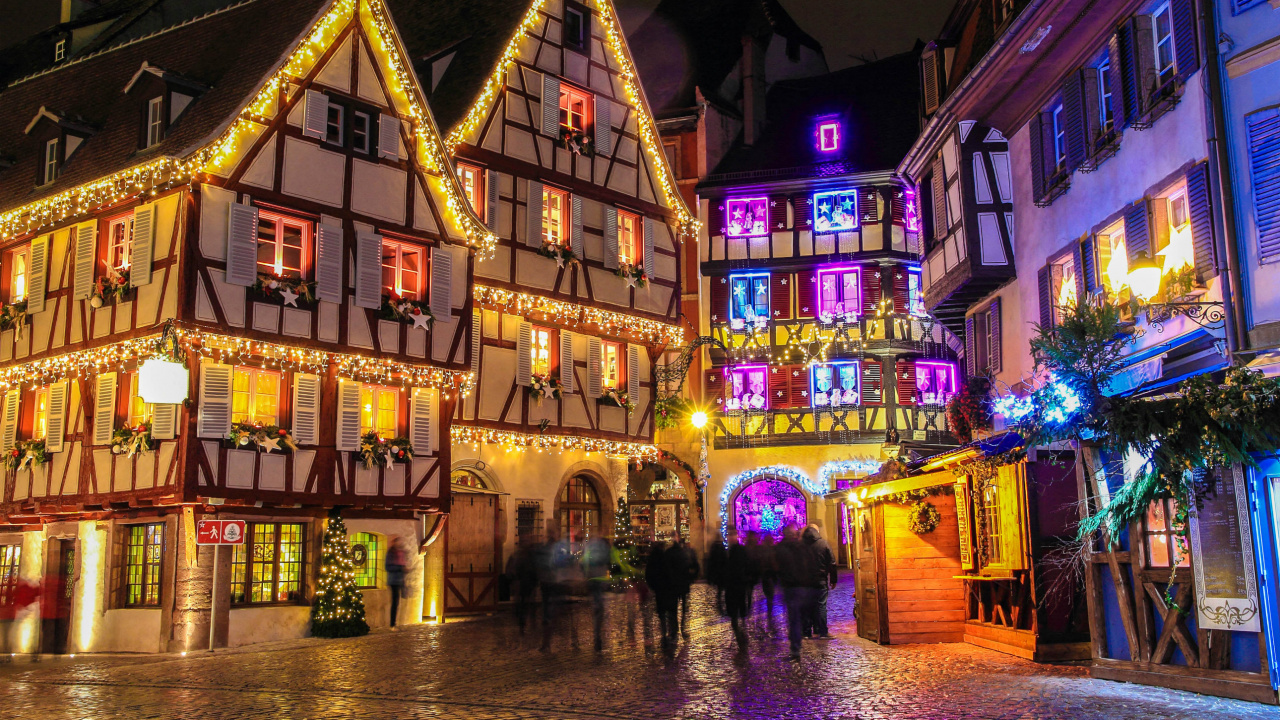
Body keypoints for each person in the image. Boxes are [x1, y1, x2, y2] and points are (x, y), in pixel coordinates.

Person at [776, 525, 819, 660]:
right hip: (801, 586)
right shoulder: (802, 547)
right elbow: (812, 565)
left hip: (791, 586)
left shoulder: (781, 548)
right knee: (799, 615)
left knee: (794, 617)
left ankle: (796, 647)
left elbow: (776, 566)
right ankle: (801, 638)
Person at [722, 531, 757, 648]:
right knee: (736, 612)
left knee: (738, 611)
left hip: (738, 585)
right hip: (735, 585)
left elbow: (747, 565)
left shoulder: (736, 551)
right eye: (729, 536)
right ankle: (740, 633)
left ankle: (740, 633)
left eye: (732, 536)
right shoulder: (729, 551)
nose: (730, 538)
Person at [803, 524, 838, 638]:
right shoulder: (824, 544)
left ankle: (806, 632)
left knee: (807, 606)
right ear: (817, 531)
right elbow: (832, 563)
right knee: (821, 606)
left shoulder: (801, 546)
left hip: (805, 582)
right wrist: (833, 579)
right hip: (820, 580)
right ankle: (822, 631)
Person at [645, 541, 679, 652]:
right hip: (668, 590)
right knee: (670, 612)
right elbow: (671, 573)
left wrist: (654, 587)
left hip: (659, 591)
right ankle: (671, 634)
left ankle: (664, 634)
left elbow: (648, 575)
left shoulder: (652, 560)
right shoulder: (666, 558)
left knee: (662, 614)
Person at [582, 534, 612, 652]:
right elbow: (609, 561)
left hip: (592, 578)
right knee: (600, 603)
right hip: (601, 577)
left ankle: (597, 633)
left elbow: (584, 561)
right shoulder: (604, 547)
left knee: (597, 602)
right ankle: (598, 632)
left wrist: (585, 574)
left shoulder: (589, 546)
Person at [506, 538, 539, 634]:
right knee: (526, 605)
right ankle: (527, 624)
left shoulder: (519, 555)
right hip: (523, 584)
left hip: (523, 584)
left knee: (524, 605)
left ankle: (524, 624)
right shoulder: (526, 556)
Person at [668, 537, 700, 640]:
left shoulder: (670, 553)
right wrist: (692, 578)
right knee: (684, 608)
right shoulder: (685, 554)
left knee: (673, 608)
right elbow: (694, 566)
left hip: (673, 585)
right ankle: (682, 627)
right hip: (683, 584)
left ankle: (674, 628)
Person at [752, 532, 778, 631]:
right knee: (769, 593)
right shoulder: (771, 549)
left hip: (767, 574)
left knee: (768, 592)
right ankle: (769, 606)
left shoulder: (764, 549)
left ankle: (769, 606)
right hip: (769, 574)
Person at [384, 537, 408, 630]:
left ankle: (399, 622)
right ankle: (392, 624)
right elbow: (388, 567)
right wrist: (400, 568)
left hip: (401, 580)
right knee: (395, 602)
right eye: (397, 542)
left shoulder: (401, 552)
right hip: (394, 581)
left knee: (400, 600)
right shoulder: (391, 553)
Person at [706, 535, 727, 615]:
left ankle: (719, 600)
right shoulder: (722, 547)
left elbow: (710, 562)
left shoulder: (714, 548)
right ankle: (721, 601)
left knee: (720, 589)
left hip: (718, 572)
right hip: (721, 572)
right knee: (721, 588)